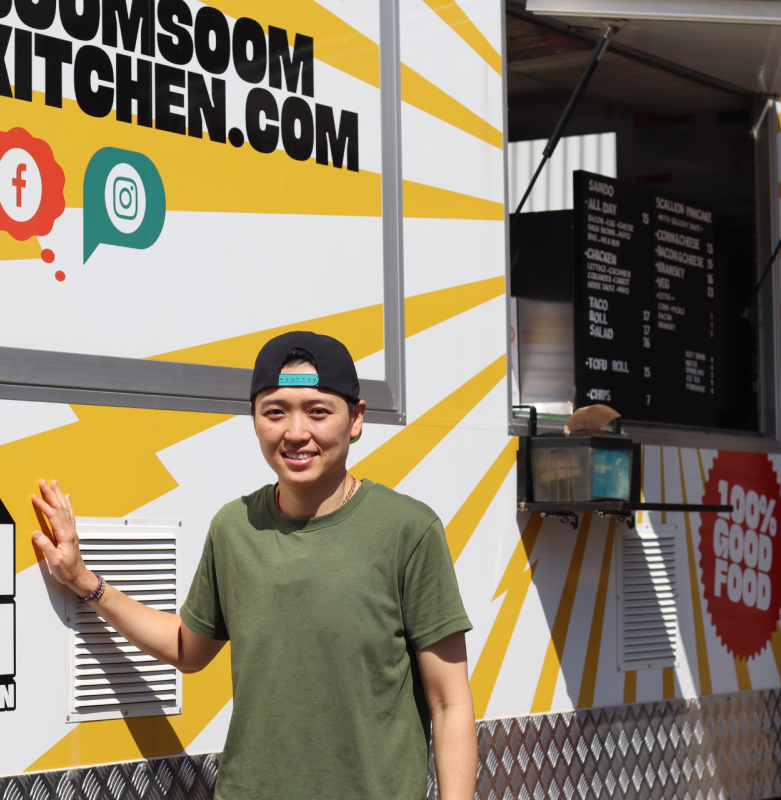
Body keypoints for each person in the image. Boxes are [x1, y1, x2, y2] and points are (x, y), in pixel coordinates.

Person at [32, 331, 477, 800]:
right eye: (275, 412)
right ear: (255, 420)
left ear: (356, 419)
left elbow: (449, 705)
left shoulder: (409, 530)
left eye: (318, 411)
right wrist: (84, 580)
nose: (296, 432)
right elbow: (187, 648)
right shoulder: (233, 528)